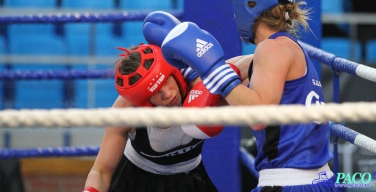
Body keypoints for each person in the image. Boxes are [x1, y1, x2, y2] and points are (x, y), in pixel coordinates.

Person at [158, 0, 345, 191]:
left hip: (290, 182)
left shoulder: (271, 49)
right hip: (311, 178)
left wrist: (214, 72)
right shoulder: (283, 47)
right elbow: (232, 69)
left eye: (236, 7)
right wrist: (192, 68)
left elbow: (258, 115)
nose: (235, 15)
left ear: (252, 5)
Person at [83, 12, 252, 192]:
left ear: (173, 72)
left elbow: (255, 62)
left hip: (191, 178)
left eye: (166, 81)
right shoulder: (126, 110)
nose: (167, 94)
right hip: (136, 181)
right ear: (143, 101)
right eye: (155, 92)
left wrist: (213, 69)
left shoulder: (202, 83)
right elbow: (101, 171)